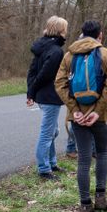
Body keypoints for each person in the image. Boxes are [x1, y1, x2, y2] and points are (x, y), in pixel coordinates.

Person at [55, 20, 107, 212]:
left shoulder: (69, 55)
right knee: (102, 153)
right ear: (100, 35)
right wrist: (98, 111)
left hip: (77, 118)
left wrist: (74, 110)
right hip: (100, 116)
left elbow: (60, 83)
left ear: (82, 34)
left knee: (83, 159)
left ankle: (84, 205)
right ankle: (101, 198)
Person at [26, 16, 68, 180]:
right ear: (60, 31)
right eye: (65, 28)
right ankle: (44, 169)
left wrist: (31, 92)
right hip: (50, 96)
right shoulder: (56, 51)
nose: (66, 32)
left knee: (53, 131)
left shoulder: (41, 46)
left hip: (42, 96)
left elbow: (32, 72)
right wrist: (32, 91)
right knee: (47, 133)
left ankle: (51, 162)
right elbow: (44, 74)